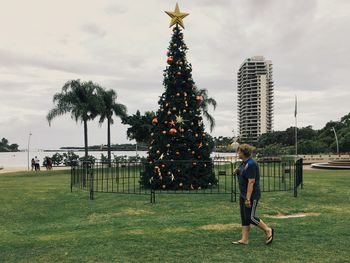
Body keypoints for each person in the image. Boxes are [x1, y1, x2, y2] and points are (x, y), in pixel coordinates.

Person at [232, 144, 274, 245]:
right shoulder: (243, 163)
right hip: (243, 193)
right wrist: (237, 171)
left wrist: (248, 199)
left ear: (243, 152)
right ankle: (244, 239)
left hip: (251, 195)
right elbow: (244, 174)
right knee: (244, 217)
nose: (238, 153)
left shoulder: (251, 164)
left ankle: (268, 230)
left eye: (239, 152)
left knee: (250, 217)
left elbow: (251, 182)